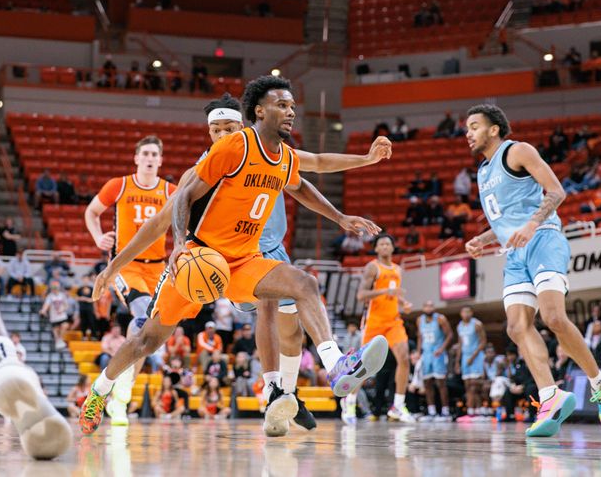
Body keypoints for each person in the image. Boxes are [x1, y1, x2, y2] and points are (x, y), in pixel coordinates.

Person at [81, 76, 389, 436]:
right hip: (200, 259)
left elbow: (306, 179)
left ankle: (333, 366)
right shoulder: (231, 150)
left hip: (244, 261)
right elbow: (175, 204)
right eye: (282, 105)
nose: (290, 112)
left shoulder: (281, 155)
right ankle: (100, 390)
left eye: (292, 106)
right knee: (147, 340)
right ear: (257, 112)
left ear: (241, 121)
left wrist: (341, 214)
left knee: (304, 283)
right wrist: (165, 249)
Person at [464, 103, 601, 436]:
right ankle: (550, 395)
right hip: (514, 252)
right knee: (515, 326)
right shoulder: (482, 171)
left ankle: (599, 386)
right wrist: (482, 238)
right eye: (467, 127)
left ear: (494, 129)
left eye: (475, 126)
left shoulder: (518, 150)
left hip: (544, 238)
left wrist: (534, 224)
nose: (469, 132)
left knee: (553, 317)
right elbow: (506, 221)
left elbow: (557, 191)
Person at [83, 135, 177, 426]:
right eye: (145, 153)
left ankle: (121, 399)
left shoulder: (170, 191)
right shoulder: (119, 185)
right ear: (136, 158)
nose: (149, 158)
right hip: (125, 265)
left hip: (158, 268)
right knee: (141, 314)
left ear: (160, 160)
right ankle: (119, 392)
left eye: (154, 154)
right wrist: (99, 238)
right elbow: (92, 212)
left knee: (148, 337)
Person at [356, 234, 415, 423]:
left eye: (387, 243)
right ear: (376, 249)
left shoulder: (398, 269)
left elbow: (393, 295)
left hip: (393, 321)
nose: (384, 246)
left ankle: (398, 405)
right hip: (374, 321)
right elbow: (361, 295)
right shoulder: (373, 267)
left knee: (404, 359)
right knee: (362, 365)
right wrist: (384, 291)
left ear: (392, 247)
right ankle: (349, 402)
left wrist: (403, 302)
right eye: (381, 244)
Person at [416, 301, 453, 422]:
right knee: (427, 383)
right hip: (426, 354)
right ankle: (432, 412)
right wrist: (418, 351)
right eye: (426, 306)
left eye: (431, 306)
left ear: (434, 308)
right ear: (423, 308)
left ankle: (445, 411)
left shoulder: (440, 319)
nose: (428, 308)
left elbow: (450, 335)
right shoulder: (419, 320)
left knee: (441, 383)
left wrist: (442, 349)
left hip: (438, 354)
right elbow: (420, 337)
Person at [455, 306, 487, 422]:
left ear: (472, 313)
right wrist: (458, 362)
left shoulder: (477, 324)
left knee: (475, 386)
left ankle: (479, 411)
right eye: (464, 311)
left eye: (468, 311)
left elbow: (483, 342)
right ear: (461, 313)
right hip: (465, 358)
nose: (466, 314)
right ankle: (470, 411)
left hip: (476, 357)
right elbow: (460, 344)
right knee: (467, 386)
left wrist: (473, 357)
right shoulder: (459, 326)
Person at [39, 280, 70, 350]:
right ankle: (57, 342)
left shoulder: (62, 295)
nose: (54, 290)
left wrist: (62, 310)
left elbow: (66, 305)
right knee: (55, 330)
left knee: (65, 325)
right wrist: (43, 310)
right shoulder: (50, 296)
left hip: (62, 315)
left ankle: (60, 339)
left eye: (55, 288)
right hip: (54, 317)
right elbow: (46, 305)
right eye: (53, 288)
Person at [76, 275, 98, 340]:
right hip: (82, 308)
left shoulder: (91, 289)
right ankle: (83, 336)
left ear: (88, 280)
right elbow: (77, 298)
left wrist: (85, 299)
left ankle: (94, 336)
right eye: (84, 279)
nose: (85, 281)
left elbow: (93, 299)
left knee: (91, 321)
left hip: (89, 308)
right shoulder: (79, 289)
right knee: (83, 322)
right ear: (82, 280)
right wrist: (81, 298)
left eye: (86, 279)